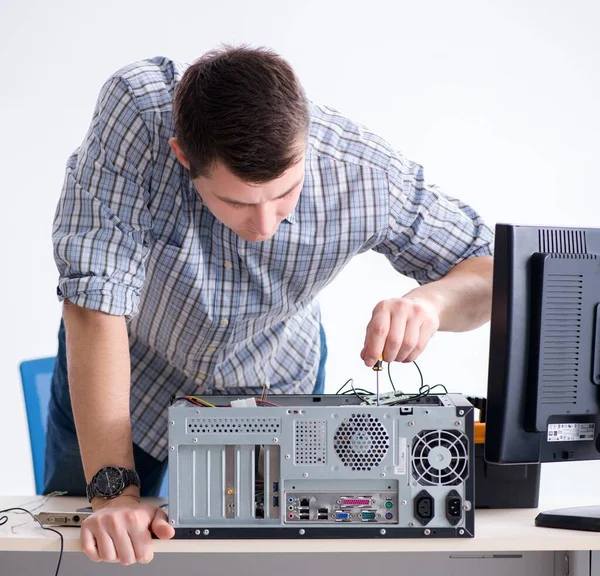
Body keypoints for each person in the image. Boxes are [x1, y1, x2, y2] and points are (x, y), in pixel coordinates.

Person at [48, 45, 494, 565]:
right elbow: (94, 300)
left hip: (270, 392)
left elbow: (488, 269)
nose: (263, 226)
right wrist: (114, 495)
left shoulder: (364, 172)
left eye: (285, 194)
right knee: (87, 548)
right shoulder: (137, 116)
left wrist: (432, 302)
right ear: (182, 156)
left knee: (259, 562)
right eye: (235, 202)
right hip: (127, 377)